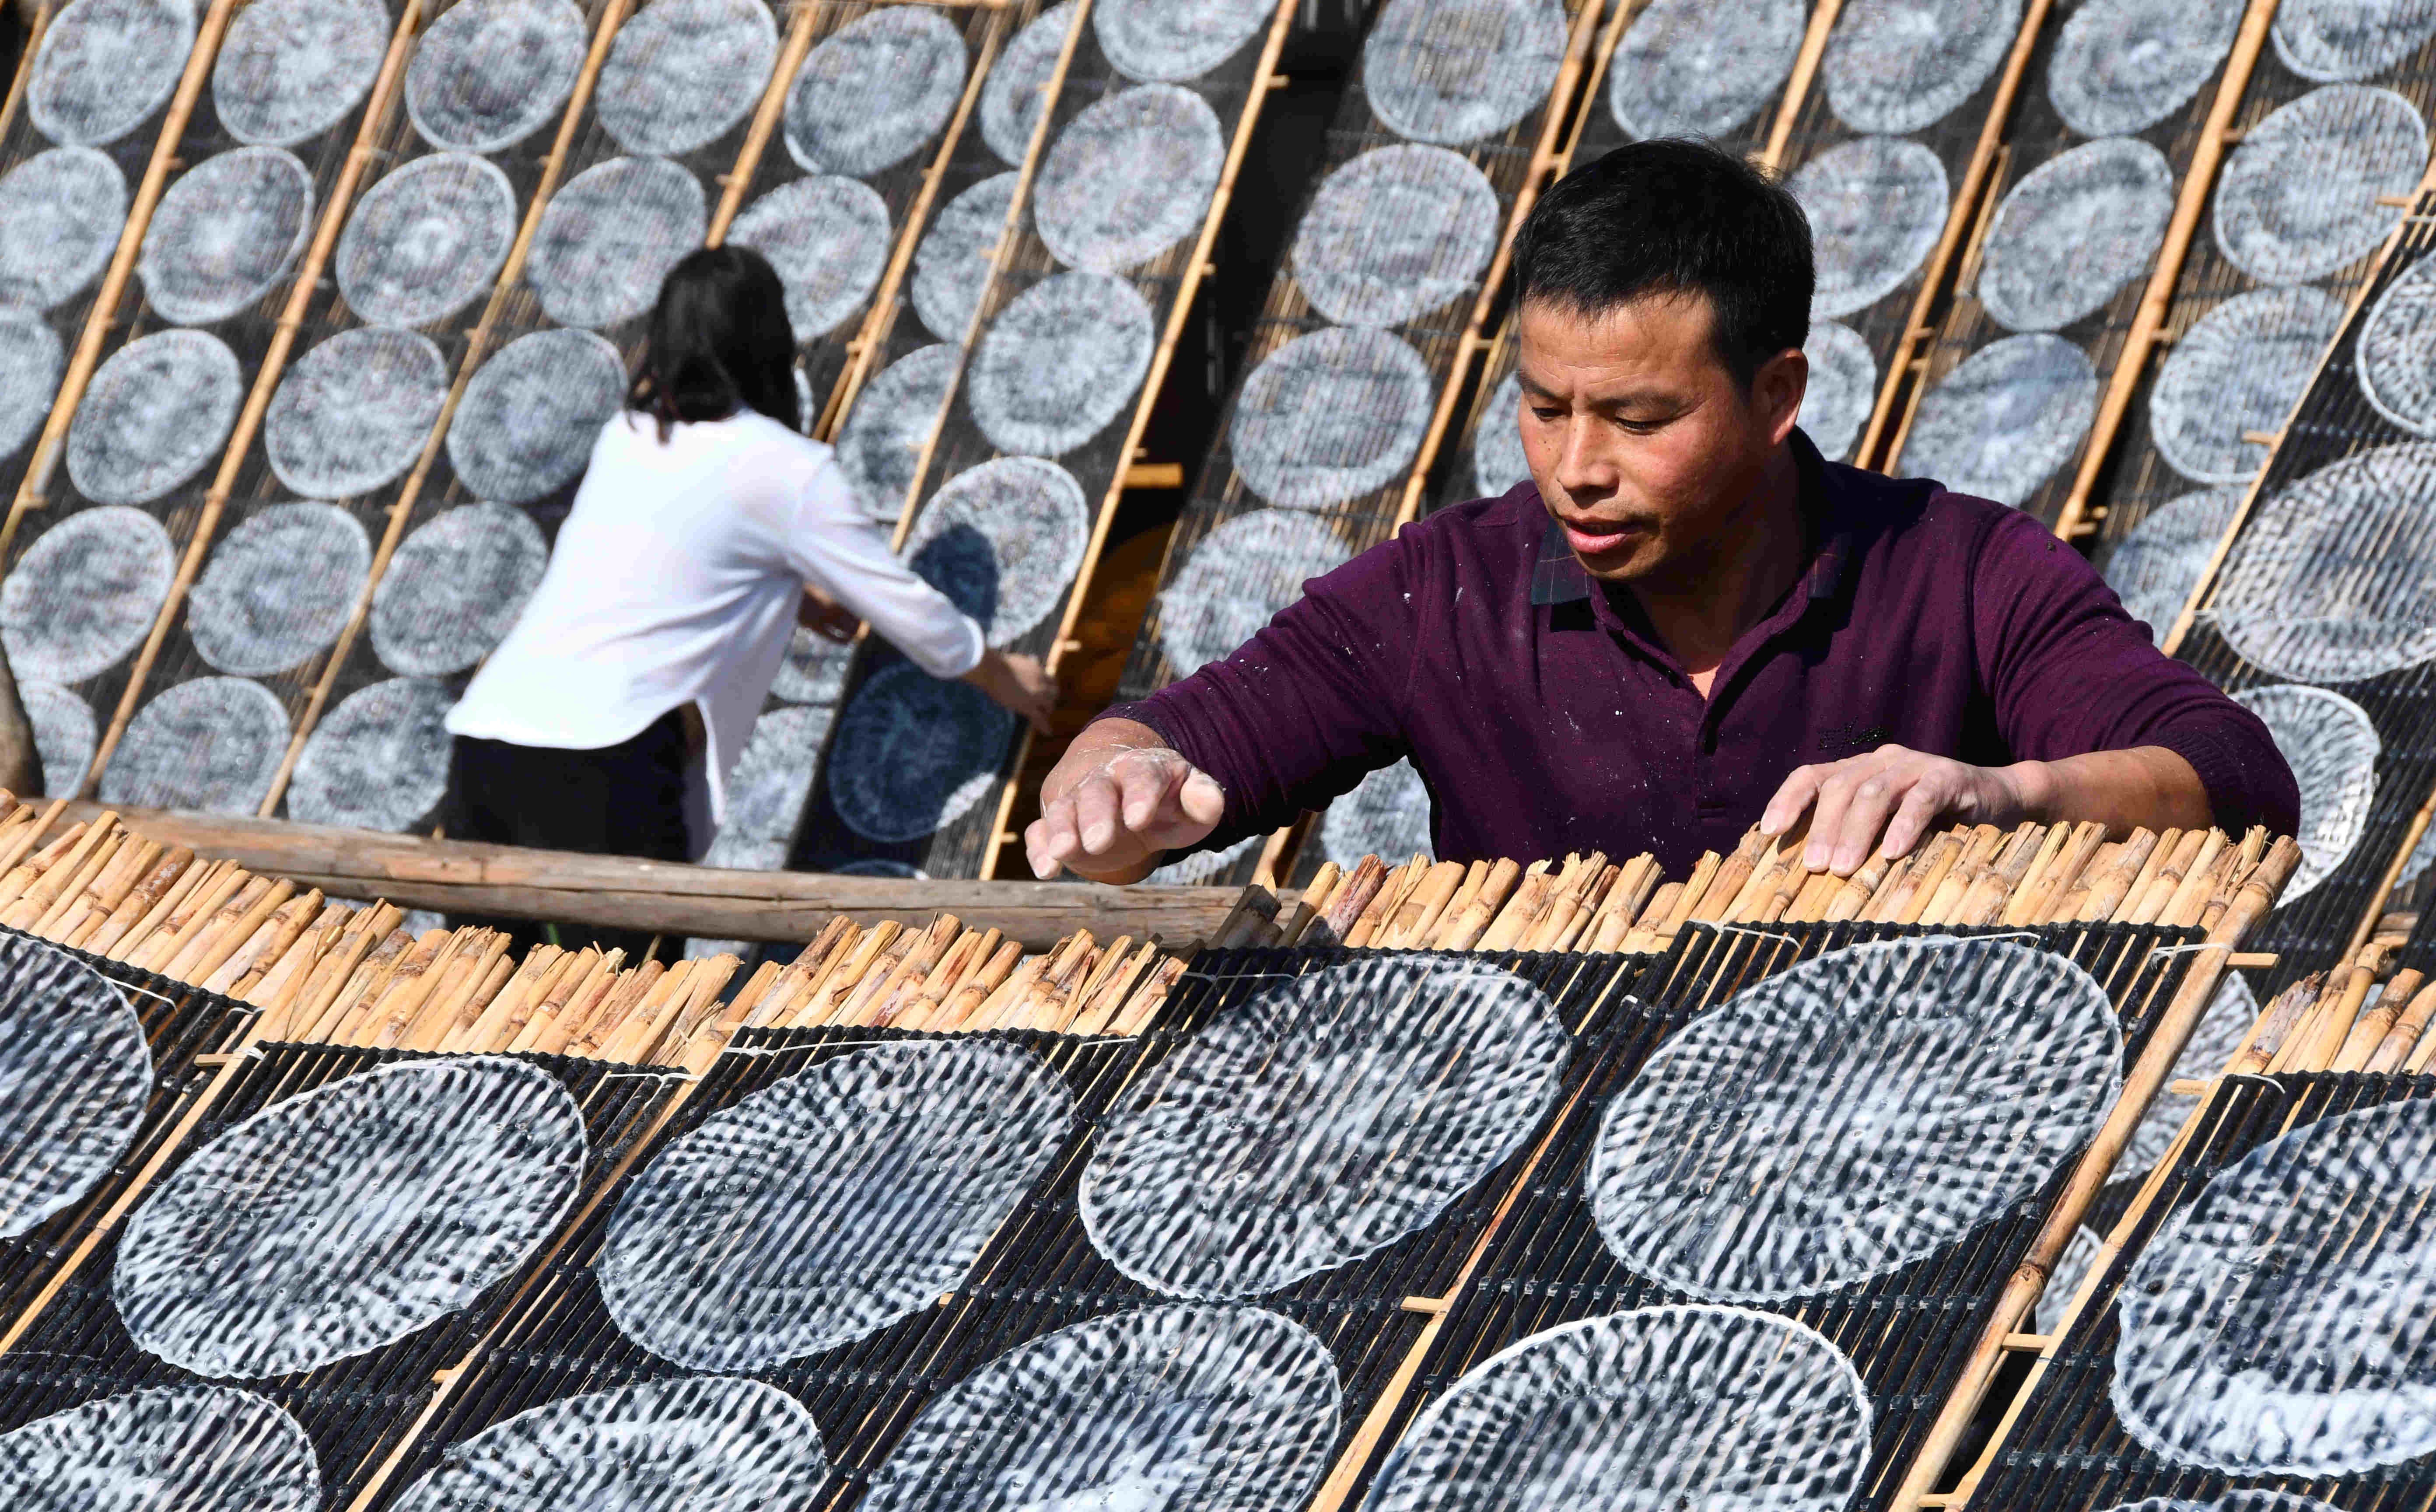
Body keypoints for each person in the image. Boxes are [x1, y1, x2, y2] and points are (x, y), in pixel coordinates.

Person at [1026, 139, 2297, 885]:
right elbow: (1164, 742)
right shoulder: (1446, 590)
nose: (1577, 467)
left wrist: (2001, 793)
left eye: (1640, 419)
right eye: (1544, 408)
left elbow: (2236, 779)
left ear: (1777, 394)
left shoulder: (1957, 571)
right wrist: (1112, 792)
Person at [446, 245, 1054, 956]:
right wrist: (1002, 675)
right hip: (602, 759)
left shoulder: (630, 435)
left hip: (488, 742)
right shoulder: (791, 470)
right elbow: (903, 605)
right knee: (620, 1000)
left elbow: (654, 559)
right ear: (772, 339)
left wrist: (796, 594)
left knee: (473, 989)